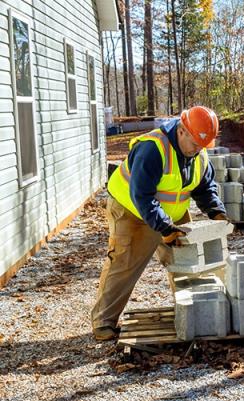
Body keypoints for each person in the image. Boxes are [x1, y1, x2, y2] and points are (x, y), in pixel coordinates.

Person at [90, 106, 228, 341]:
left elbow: (205, 187)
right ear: (181, 131)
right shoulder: (152, 149)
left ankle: (192, 313)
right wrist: (164, 227)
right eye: (195, 144)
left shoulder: (199, 153)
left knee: (188, 262)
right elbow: (141, 195)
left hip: (171, 214)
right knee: (124, 263)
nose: (198, 150)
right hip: (132, 210)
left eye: (202, 146)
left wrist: (216, 211)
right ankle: (104, 321)